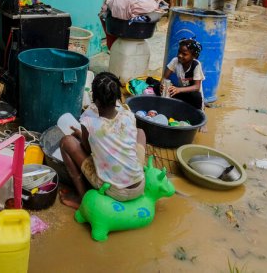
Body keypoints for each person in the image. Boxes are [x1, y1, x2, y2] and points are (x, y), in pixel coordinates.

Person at [59, 72, 146, 209]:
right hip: (139, 185)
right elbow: (116, 135)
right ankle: (134, 170)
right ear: (117, 97)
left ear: (96, 100)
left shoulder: (88, 121)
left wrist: (82, 135)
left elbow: (88, 151)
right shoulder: (128, 115)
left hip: (116, 191)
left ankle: (82, 199)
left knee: (66, 141)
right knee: (141, 133)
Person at [161, 38, 205, 110]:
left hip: (193, 97)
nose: (180, 55)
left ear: (193, 56)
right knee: (157, 87)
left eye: (184, 54)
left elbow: (197, 87)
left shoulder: (196, 65)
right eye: (179, 52)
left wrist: (179, 90)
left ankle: (198, 111)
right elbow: (165, 78)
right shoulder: (175, 61)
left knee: (196, 96)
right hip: (182, 92)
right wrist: (162, 85)